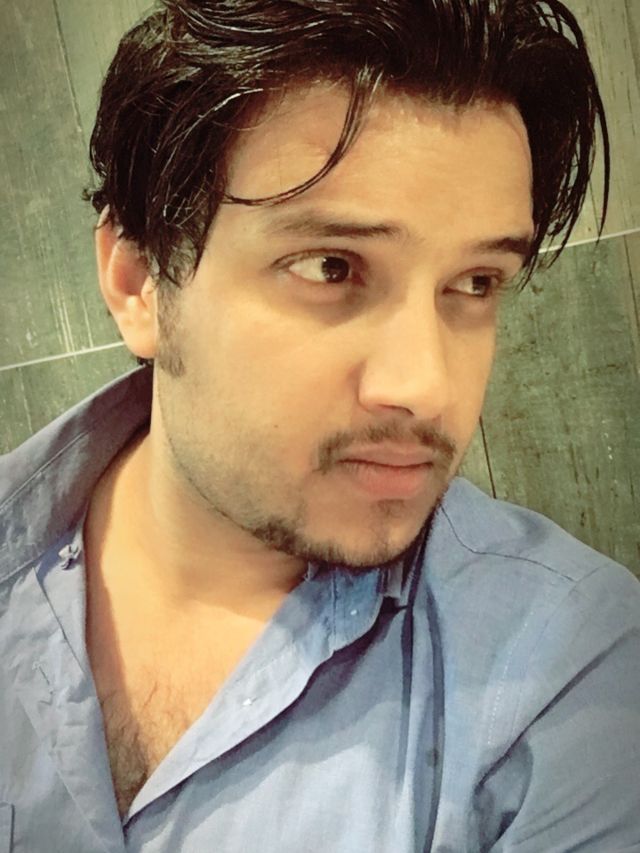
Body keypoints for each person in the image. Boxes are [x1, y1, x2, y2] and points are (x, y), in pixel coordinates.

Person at [1, 0, 638, 850]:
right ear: (138, 282)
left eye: (477, 282)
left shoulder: (569, 678)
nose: (425, 387)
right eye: (331, 267)